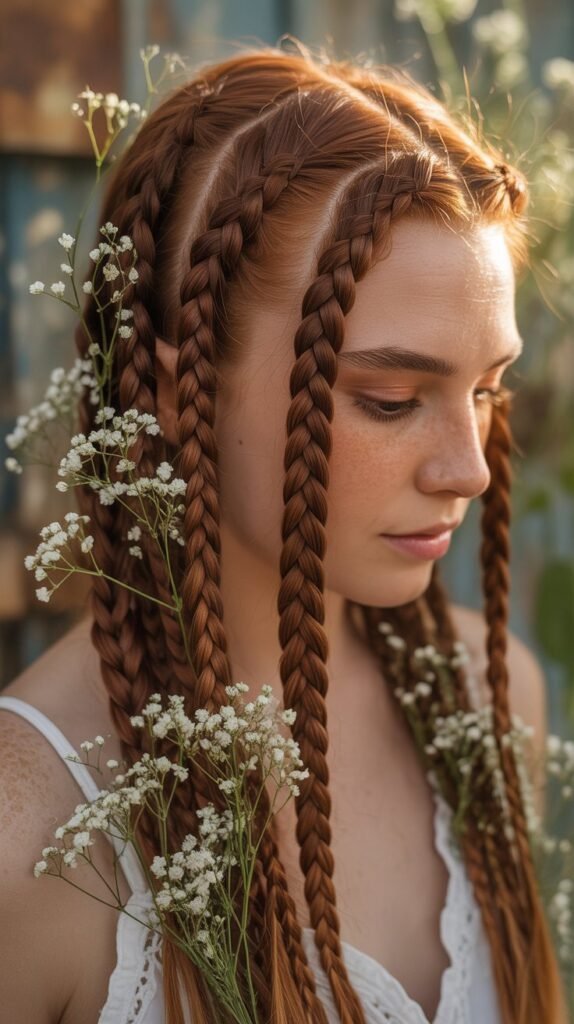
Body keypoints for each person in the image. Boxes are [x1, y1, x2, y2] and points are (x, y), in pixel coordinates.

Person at [0, 40, 567, 1024]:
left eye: (484, 388)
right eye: (389, 399)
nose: (468, 467)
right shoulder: (33, 829)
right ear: (178, 395)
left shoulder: (488, 700)